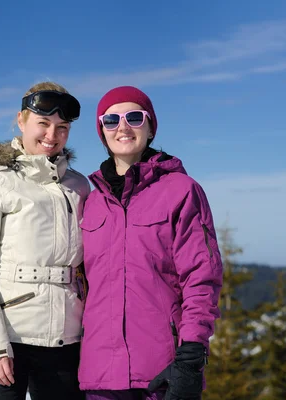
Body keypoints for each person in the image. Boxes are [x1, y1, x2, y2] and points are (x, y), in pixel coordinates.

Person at [79, 86, 223, 400]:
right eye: (111, 120)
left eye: (134, 117)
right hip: (99, 377)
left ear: (150, 126)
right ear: (102, 132)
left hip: (162, 375)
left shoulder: (182, 190)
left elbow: (202, 277)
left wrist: (190, 357)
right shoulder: (90, 202)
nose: (123, 127)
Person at [0, 81, 90, 400]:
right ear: (21, 121)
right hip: (8, 338)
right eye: (43, 124)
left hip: (64, 340)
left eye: (62, 127)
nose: (52, 135)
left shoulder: (80, 187)